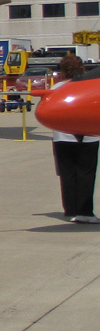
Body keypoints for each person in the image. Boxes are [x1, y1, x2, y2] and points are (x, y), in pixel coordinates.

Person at [50, 54, 99, 224]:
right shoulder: (89, 86)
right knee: (86, 174)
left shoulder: (57, 87)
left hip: (62, 137)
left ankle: (70, 210)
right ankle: (85, 211)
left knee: (67, 175)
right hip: (89, 137)